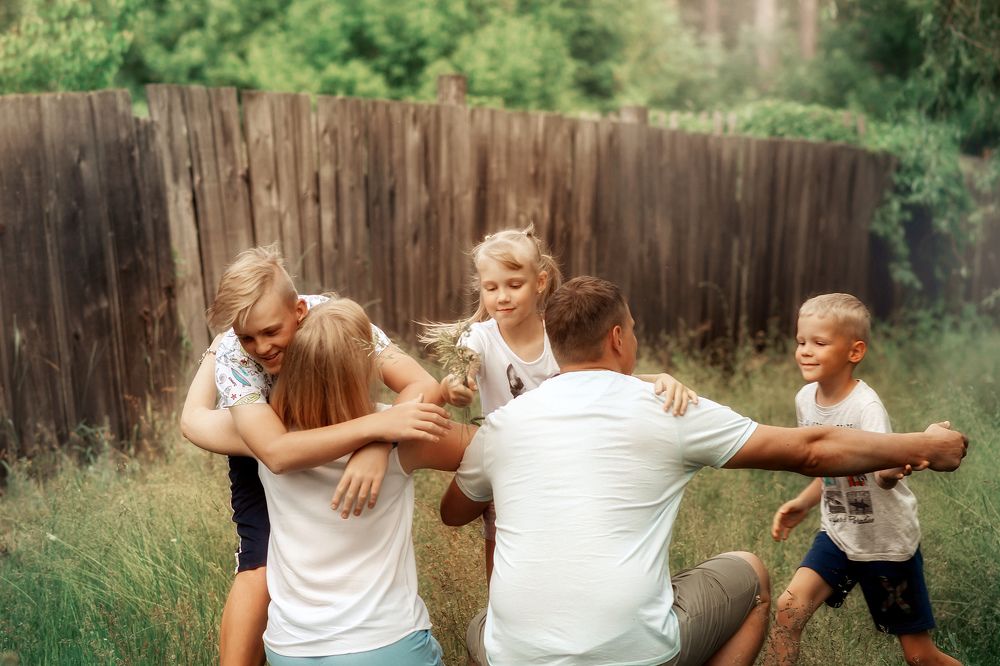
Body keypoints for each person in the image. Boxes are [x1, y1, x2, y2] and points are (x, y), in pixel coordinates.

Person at [439, 276, 968, 666]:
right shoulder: (668, 409)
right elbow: (810, 450)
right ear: (620, 337)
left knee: (481, 628)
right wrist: (928, 445)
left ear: (554, 344)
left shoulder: (503, 423)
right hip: (637, 654)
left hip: (515, 657)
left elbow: (453, 512)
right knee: (753, 573)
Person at [180, 245, 452, 666]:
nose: (261, 347)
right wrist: (378, 428)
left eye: (271, 332)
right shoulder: (237, 353)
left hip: (339, 412)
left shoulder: (337, 319)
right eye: (247, 336)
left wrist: (377, 448)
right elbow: (276, 453)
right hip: (264, 430)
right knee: (259, 559)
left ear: (300, 311)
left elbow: (421, 385)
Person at [427, 225, 697, 583]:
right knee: (502, 540)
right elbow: (465, 367)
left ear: (539, 282)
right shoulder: (480, 337)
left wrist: (658, 379)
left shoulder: (555, 332)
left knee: (568, 537)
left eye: (514, 285)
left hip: (565, 456)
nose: (502, 297)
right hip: (508, 462)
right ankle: (501, 613)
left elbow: (601, 377)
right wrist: (456, 386)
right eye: (491, 288)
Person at [765, 293, 961, 666]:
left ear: (854, 352)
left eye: (819, 343)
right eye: (801, 342)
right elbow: (826, 462)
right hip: (838, 534)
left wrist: (901, 462)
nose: (805, 351)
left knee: (920, 657)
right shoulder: (805, 400)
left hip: (885, 542)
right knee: (788, 610)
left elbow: (883, 473)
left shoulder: (865, 407)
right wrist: (804, 503)